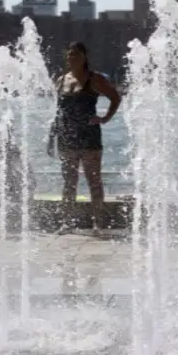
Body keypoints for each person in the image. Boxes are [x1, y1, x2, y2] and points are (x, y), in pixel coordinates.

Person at [47, 42, 121, 233]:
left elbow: (115, 97)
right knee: (69, 182)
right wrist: (51, 136)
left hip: (89, 137)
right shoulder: (61, 79)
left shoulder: (94, 79)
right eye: (70, 55)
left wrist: (104, 118)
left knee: (93, 181)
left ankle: (98, 223)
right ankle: (66, 223)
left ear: (85, 57)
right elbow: (59, 111)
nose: (73, 58)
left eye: (77, 55)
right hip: (67, 136)